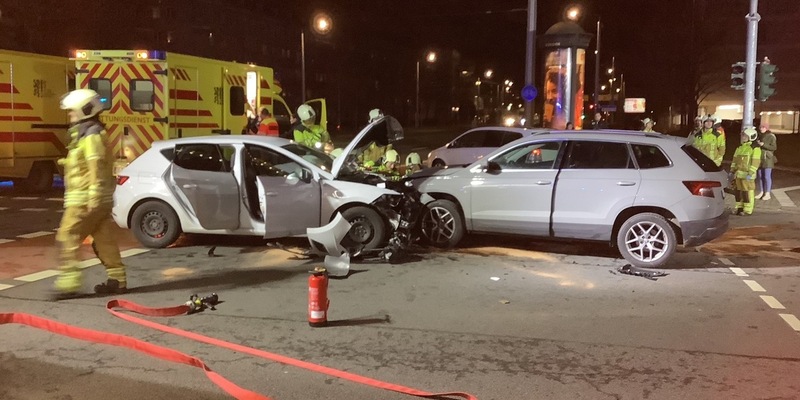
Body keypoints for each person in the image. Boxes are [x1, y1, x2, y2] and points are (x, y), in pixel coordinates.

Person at [53, 89, 127, 298]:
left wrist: (93, 194)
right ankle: (117, 279)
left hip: (85, 199)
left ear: (83, 110)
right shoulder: (90, 132)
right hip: (99, 198)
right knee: (103, 239)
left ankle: (69, 283)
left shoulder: (90, 135)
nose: (69, 115)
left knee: (68, 235)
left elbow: (95, 164)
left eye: (72, 111)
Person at [730, 127, 762, 216]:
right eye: (743, 135)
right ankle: (739, 208)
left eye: (745, 135)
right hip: (739, 174)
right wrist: (732, 170)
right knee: (738, 192)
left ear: (750, 136)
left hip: (747, 175)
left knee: (747, 192)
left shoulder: (755, 148)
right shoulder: (740, 147)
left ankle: (747, 210)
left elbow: (755, 162)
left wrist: (751, 173)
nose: (743, 137)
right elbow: (735, 160)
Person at [756, 122, 778, 201]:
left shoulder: (771, 136)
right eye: (761, 127)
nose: (761, 129)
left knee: (766, 176)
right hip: (759, 157)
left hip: (768, 158)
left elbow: (774, 147)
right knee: (760, 176)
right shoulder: (759, 135)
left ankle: (767, 193)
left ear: (767, 128)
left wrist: (763, 145)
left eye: (763, 127)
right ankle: (762, 191)